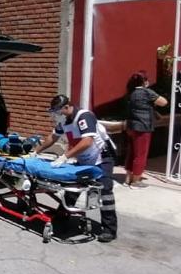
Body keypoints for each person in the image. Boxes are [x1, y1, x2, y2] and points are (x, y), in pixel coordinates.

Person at [32, 94, 118, 242]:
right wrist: (36, 151)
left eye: (58, 111)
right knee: (71, 186)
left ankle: (109, 230)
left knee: (104, 190)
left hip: (102, 157)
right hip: (84, 158)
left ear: (66, 107)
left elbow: (87, 141)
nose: (57, 114)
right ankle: (62, 216)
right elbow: (53, 137)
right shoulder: (65, 122)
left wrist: (65, 156)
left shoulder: (83, 117)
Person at [123, 71, 168, 188]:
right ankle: (136, 181)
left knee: (132, 152)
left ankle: (128, 178)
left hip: (131, 127)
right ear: (144, 82)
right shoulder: (146, 92)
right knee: (141, 154)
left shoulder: (130, 93)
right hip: (143, 127)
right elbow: (163, 102)